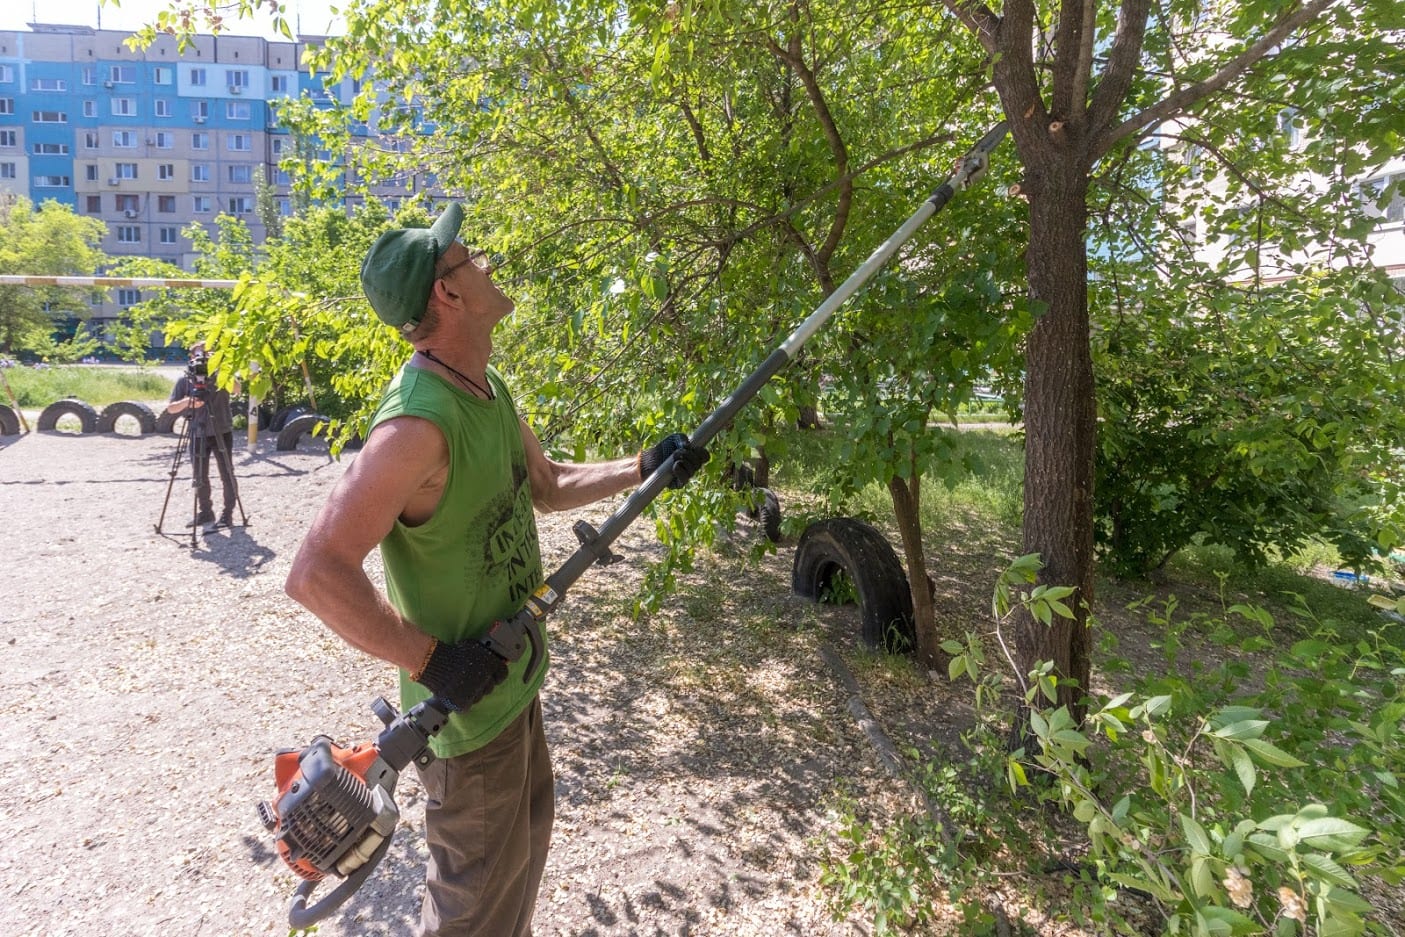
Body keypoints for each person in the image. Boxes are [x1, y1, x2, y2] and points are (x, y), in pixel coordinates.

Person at [284, 203, 709, 937]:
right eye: (469, 256)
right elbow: (315, 571)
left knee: (511, 890)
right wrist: (430, 660)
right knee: (468, 916)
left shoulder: (486, 388)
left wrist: (645, 466)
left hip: (513, 692)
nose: (485, 261)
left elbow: (544, 482)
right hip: (465, 722)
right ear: (446, 294)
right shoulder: (416, 426)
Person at [165, 341, 240, 531]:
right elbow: (171, 408)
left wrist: (222, 367)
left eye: (207, 354)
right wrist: (187, 402)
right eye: (199, 355)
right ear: (191, 358)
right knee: (199, 475)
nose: (203, 358)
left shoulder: (221, 377)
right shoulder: (185, 380)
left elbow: (238, 390)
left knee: (227, 473)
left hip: (221, 430)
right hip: (197, 431)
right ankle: (205, 512)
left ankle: (227, 514)